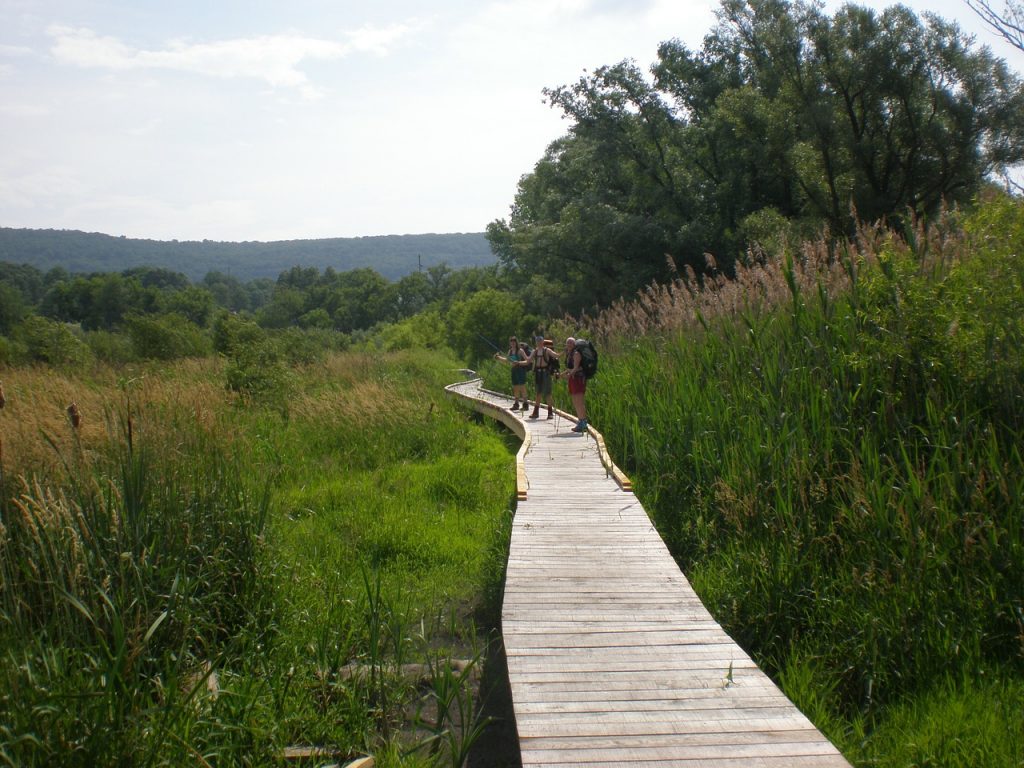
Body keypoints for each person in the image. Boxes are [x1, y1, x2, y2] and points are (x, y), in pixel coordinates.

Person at [494, 336, 530, 411]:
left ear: (516, 343)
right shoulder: (510, 351)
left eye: (514, 342)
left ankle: (525, 404)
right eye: (511, 342)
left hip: (520, 370)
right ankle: (516, 404)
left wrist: (518, 362)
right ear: (510, 343)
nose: (513, 344)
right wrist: (498, 357)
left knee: (522, 387)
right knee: (515, 388)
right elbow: (507, 361)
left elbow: (527, 361)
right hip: (513, 371)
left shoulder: (520, 351)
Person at [527, 334, 557, 420]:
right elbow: (528, 360)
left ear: (543, 341)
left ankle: (550, 413)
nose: (539, 342)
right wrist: (517, 362)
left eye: (540, 340)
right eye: (537, 341)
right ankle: (535, 413)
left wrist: (565, 351)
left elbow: (556, 355)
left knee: (548, 394)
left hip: (546, 373)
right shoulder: (535, 351)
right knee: (538, 393)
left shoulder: (547, 350)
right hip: (538, 374)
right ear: (536, 342)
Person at [562, 337, 588, 432]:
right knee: (575, 401)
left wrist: (569, 375)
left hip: (579, 379)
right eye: (567, 343)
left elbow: (576, 367)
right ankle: (580, 421)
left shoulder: (576, 353)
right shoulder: (569, 354)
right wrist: (562, 375)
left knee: (579, 401)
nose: (569, 344)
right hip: (573, 379)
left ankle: (583, 423)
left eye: (571, 343)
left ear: (574, 344)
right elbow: (570, 368)